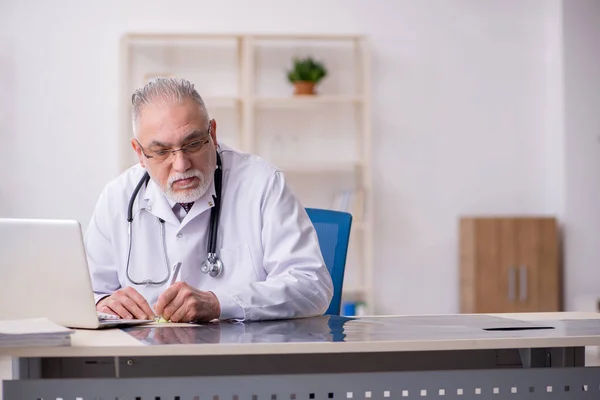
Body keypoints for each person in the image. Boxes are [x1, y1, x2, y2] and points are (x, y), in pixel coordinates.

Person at [84, 77, 333, 323]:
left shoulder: (262, 184)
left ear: (212, 133)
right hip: (144, 358)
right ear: (139, 152)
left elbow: (312, 287)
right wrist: (100, 302)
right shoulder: (117, 197)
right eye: (161, 152)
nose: (181, 165)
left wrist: (219, 303)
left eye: (192, 144)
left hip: (241, 356)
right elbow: (85, 293)